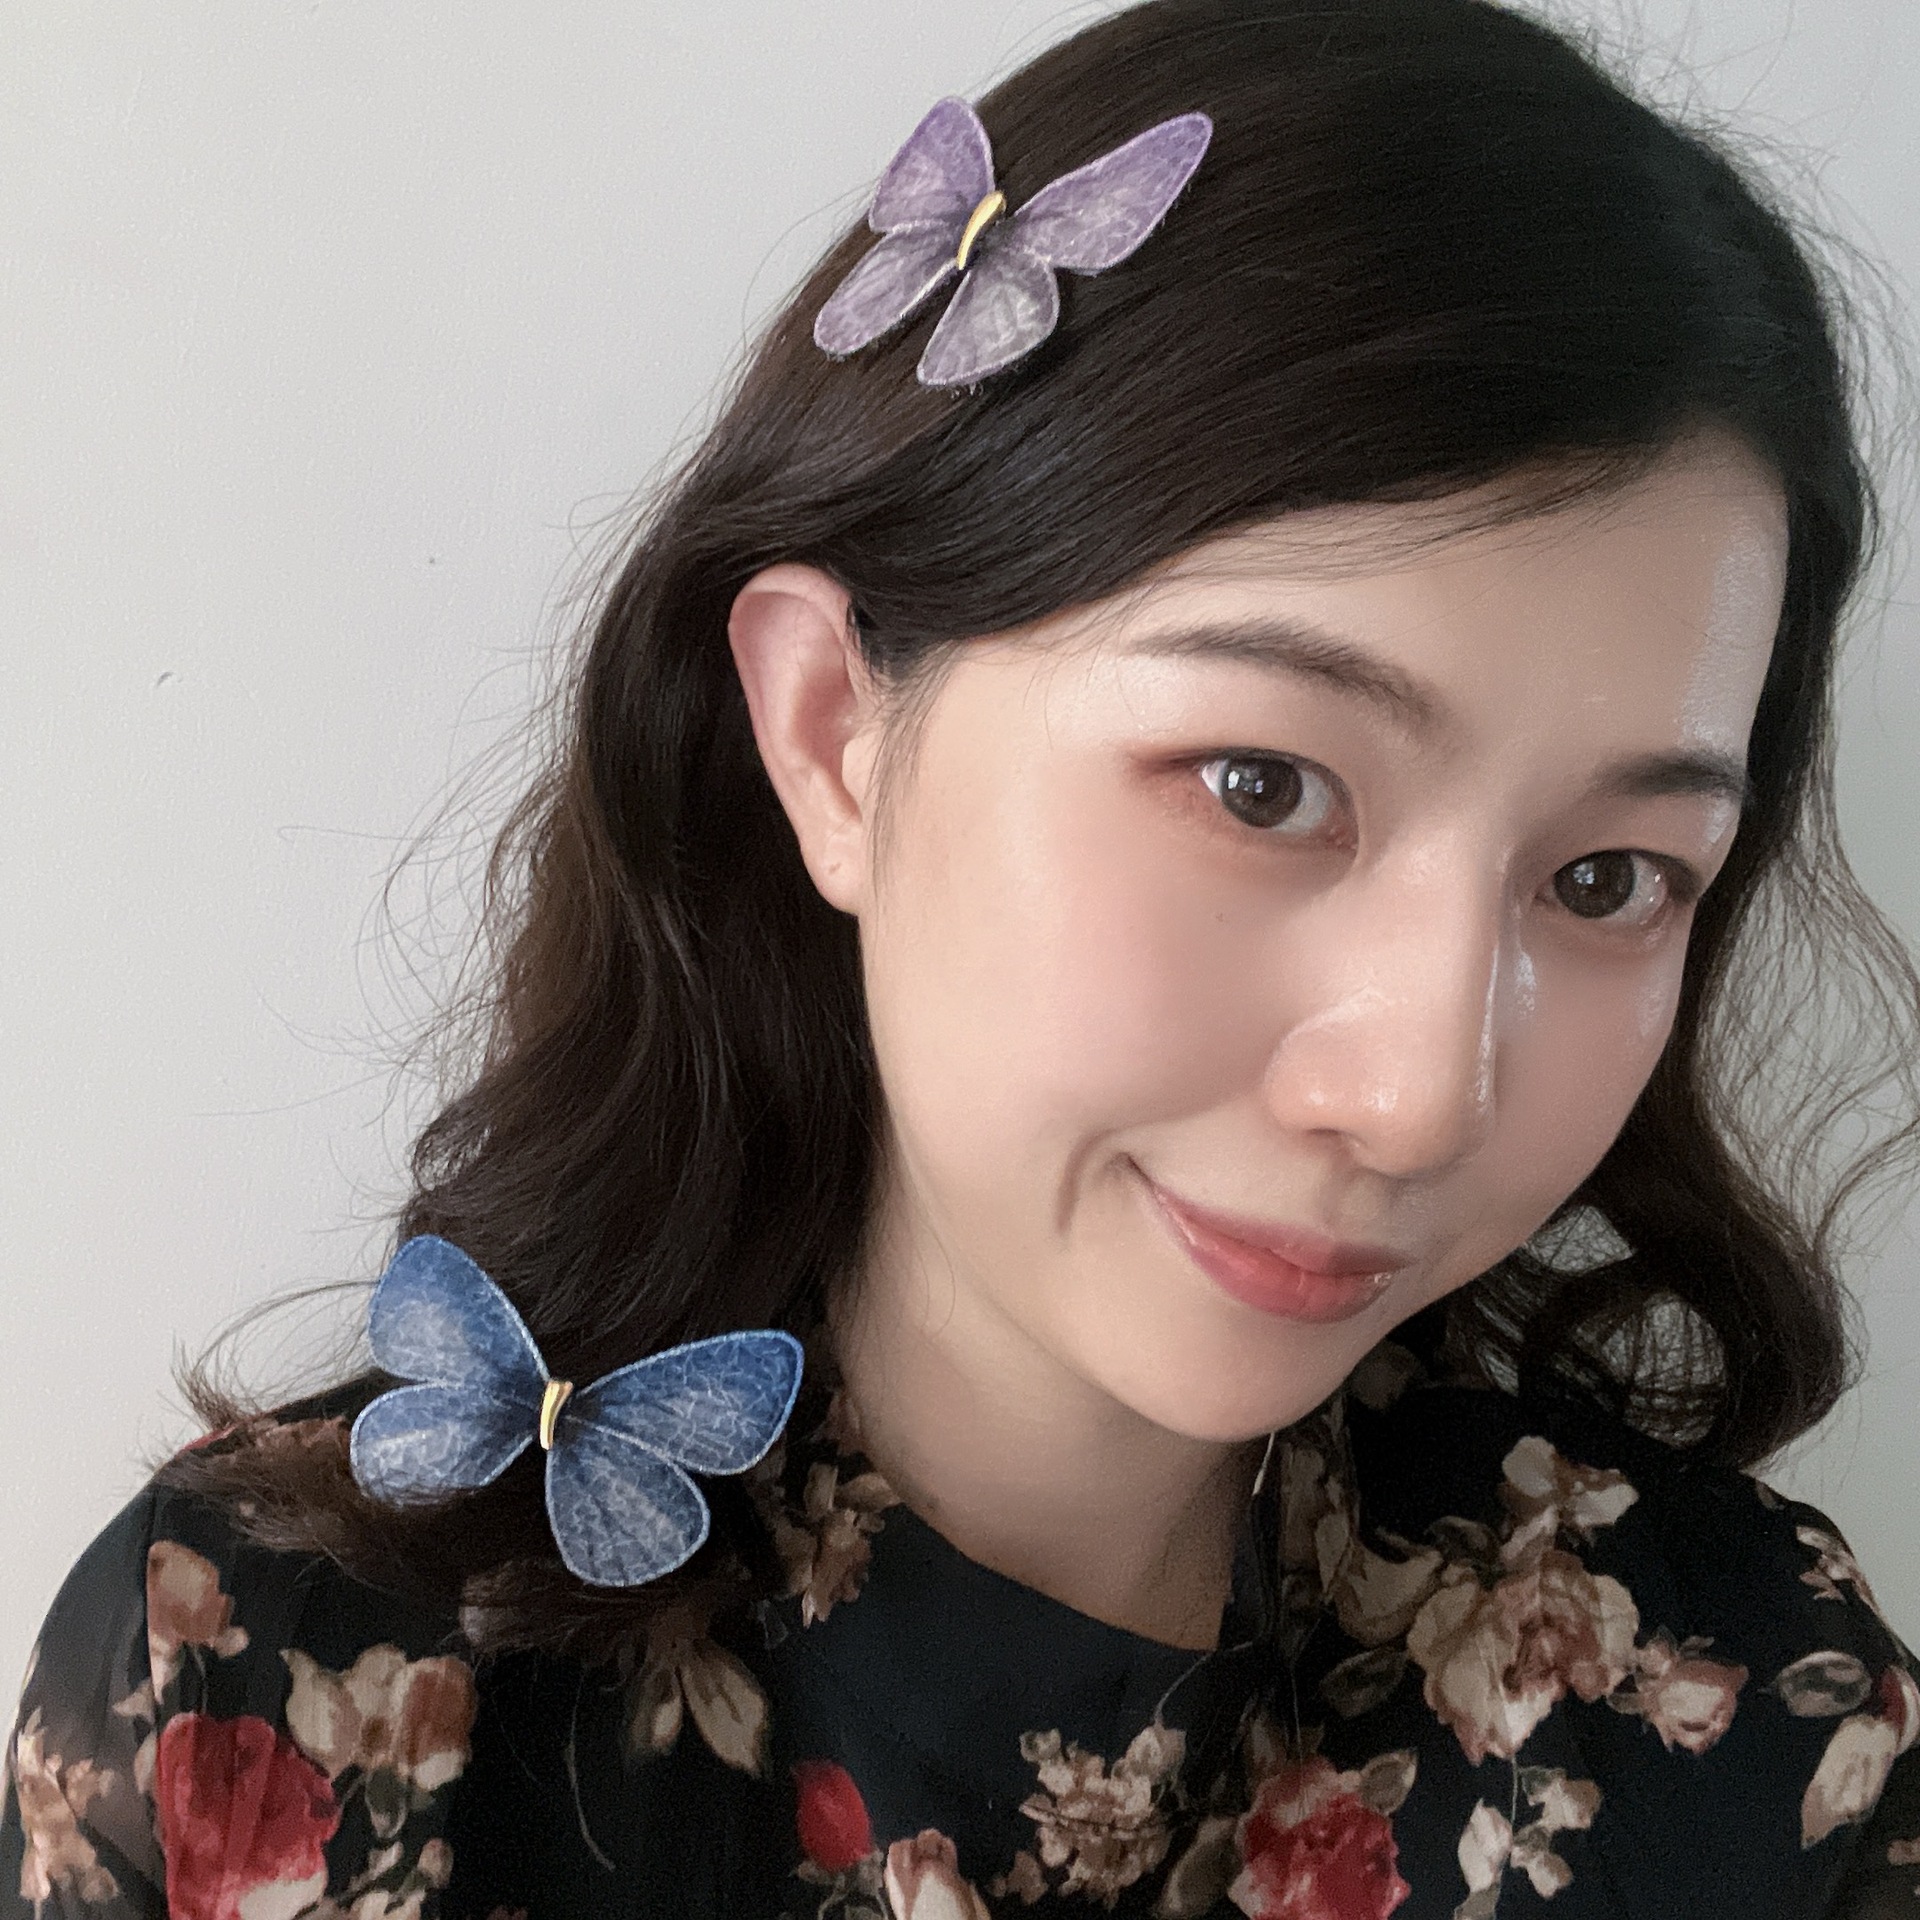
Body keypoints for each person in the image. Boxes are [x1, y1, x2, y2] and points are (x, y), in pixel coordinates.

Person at [5, 0, 1917, 1914]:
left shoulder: (1750, 1740)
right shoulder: (267, 1683)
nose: (1421, 1094)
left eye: (1606, 878)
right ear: (833, 732)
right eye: (1262, 786)